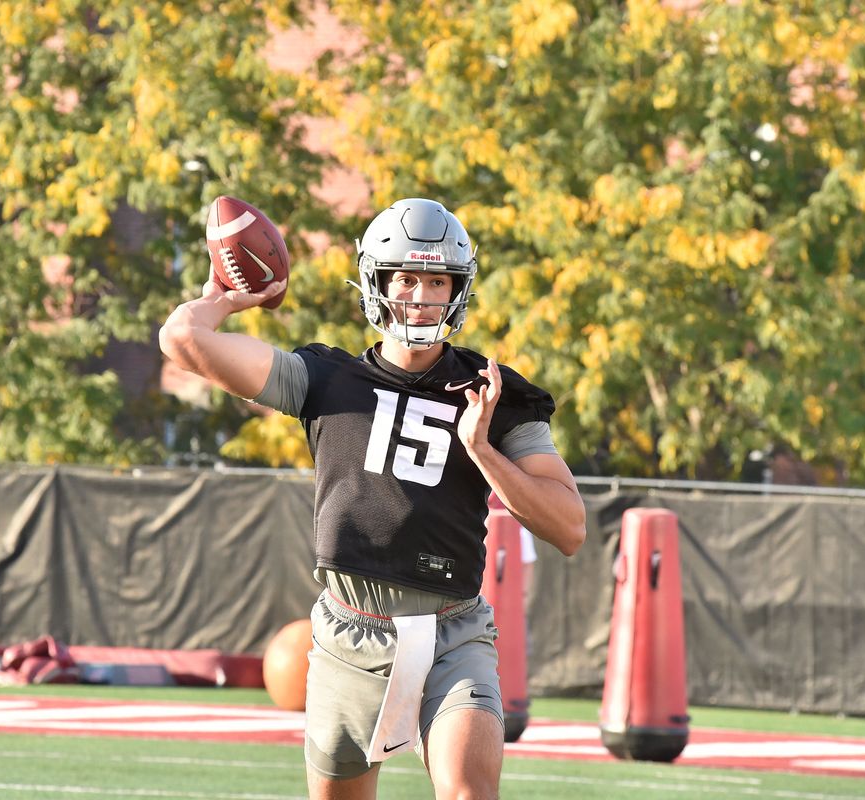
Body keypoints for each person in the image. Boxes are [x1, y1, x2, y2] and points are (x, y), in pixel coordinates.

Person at [159, 198, 586, 800]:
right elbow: (181, 338)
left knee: (469, 792)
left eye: (437, 281)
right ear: (376, 284)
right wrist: (227, 298)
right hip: (350, 630)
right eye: (405, 278)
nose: (420, 295)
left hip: (451, 631)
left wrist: (484, 452)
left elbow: (569, 527)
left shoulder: (493, 395)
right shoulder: (323, 380)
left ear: (457, 290)